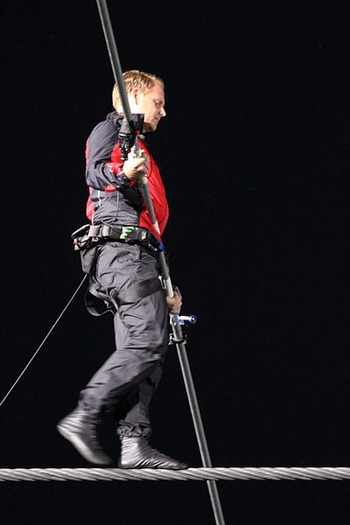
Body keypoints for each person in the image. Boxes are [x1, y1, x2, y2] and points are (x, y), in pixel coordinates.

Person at [57, 70, 187, 469]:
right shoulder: (110, 131)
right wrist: (122, 173)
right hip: (120, 253)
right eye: (158, 102)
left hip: (137, 256)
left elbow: (149, 223)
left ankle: (134, 442)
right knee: (147, 340)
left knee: (151, 345)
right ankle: (85, 413)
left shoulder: (139, 149)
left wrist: (166, 284)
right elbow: (95, 173)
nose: (164, 112)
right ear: (133, 95)